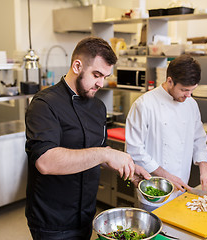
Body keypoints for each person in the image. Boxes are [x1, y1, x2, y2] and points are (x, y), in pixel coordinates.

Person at [24, 37, 150, 240]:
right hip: (52, 220)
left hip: (86, 215)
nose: (101, 83)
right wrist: (104, 153)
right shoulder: (44, 104)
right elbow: (45, 162)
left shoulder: (98, 107)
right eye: (97, 75)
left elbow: (99, 150)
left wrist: (126, 167)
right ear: (77, 65)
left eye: (106, 76)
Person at [125, 54, 207, 212]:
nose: (188, 96)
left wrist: (204, 169)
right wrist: (166, 175)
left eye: (192, 91)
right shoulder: (144, 105)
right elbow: (134, 150)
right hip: (154, 193)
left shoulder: (191, 104)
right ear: (170, 81)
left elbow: (199, 138)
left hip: (181, 189)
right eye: (184, 90)